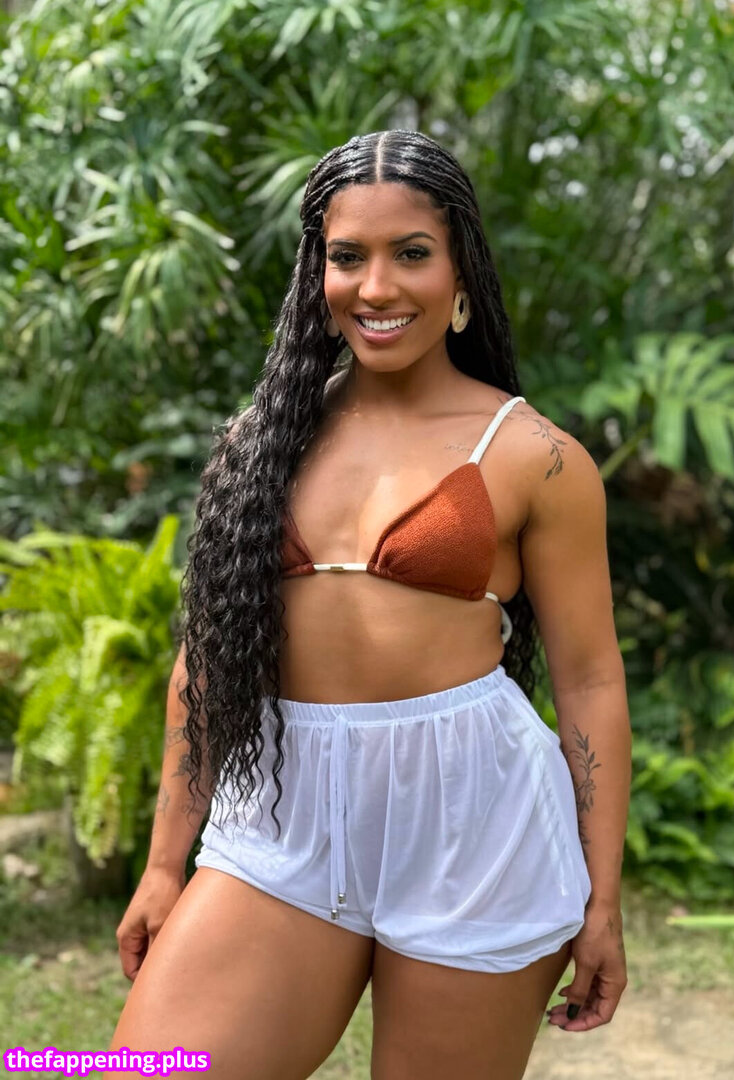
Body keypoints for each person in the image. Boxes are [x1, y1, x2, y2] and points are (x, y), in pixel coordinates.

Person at [106, 129, 631, 1080]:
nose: (376, 287)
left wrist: (601, 900)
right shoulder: (262, 443)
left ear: (461, 272)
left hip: (475, 828)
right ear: (317, 274)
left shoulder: (536, 457)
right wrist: (162, 863)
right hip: (281, 817)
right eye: (348, 256)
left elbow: (590, 681)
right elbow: (207, 663)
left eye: (411, 254)